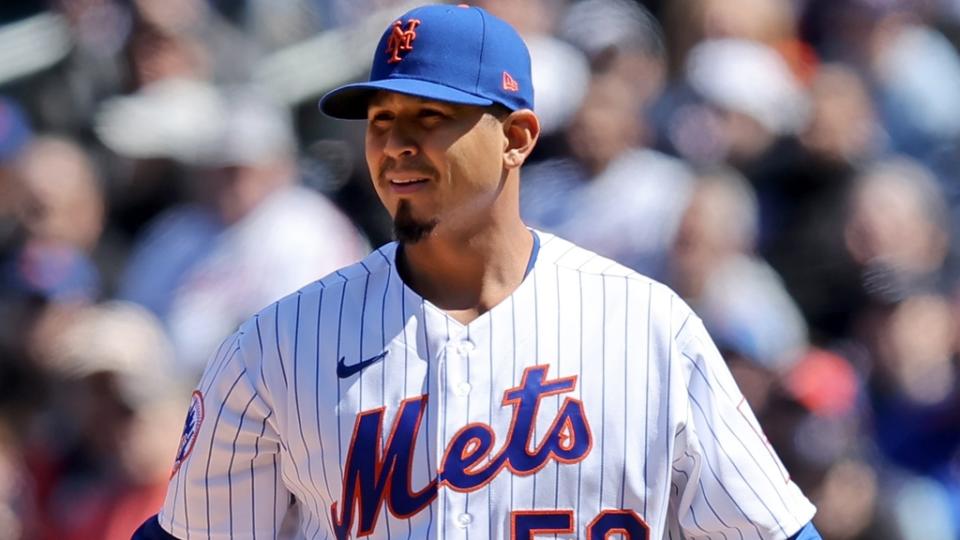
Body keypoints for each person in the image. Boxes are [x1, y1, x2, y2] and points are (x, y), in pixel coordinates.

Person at [133, 4, 821, 539]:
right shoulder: (278, 344)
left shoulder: (649, 329)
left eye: (429, 117)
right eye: (380, 121)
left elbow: (773, 529)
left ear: (517, 137)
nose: (395, 146)